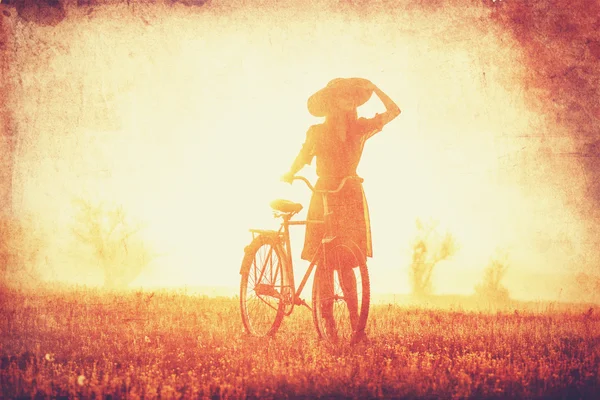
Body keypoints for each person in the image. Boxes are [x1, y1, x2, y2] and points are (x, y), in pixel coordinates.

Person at [281, 77, 401, 340]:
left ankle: (357, 326)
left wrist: (376, 88)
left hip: (349, 194)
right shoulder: (317, 132)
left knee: (348, 263)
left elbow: (394, 112)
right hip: (324, 193)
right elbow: (303, 155)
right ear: (332, 102)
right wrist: (290, 172)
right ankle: (329, 325)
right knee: (324, 262)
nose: (348, 101)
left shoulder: (360, 128)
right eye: (342, 96)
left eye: (351, 97)